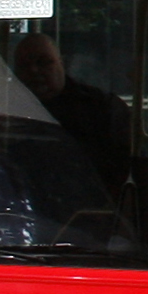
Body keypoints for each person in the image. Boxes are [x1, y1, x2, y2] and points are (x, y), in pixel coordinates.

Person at [10, 31, 134, 195]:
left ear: (62, 63)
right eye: (24, 65)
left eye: (44, 62)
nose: (34, 71)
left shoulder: (101, 108)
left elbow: (118, 168)